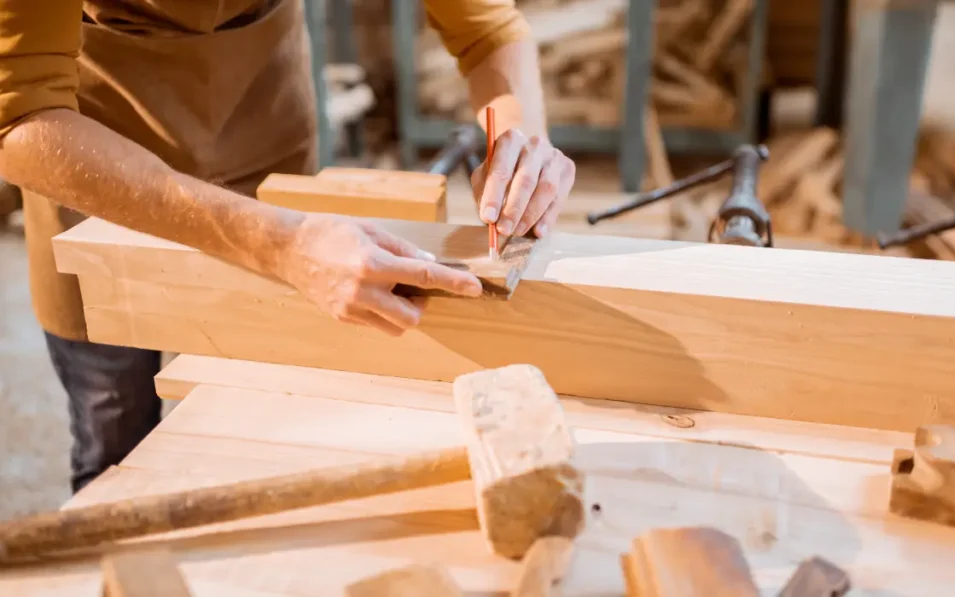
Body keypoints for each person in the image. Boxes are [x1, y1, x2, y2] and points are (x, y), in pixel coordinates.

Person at [0, 0, 576, 493]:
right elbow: (19, 114)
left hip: (265, 135)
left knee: (268, 429)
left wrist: (521, 139)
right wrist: (279, 243)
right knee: (115, 441)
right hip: (95, 171)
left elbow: (487, 30)